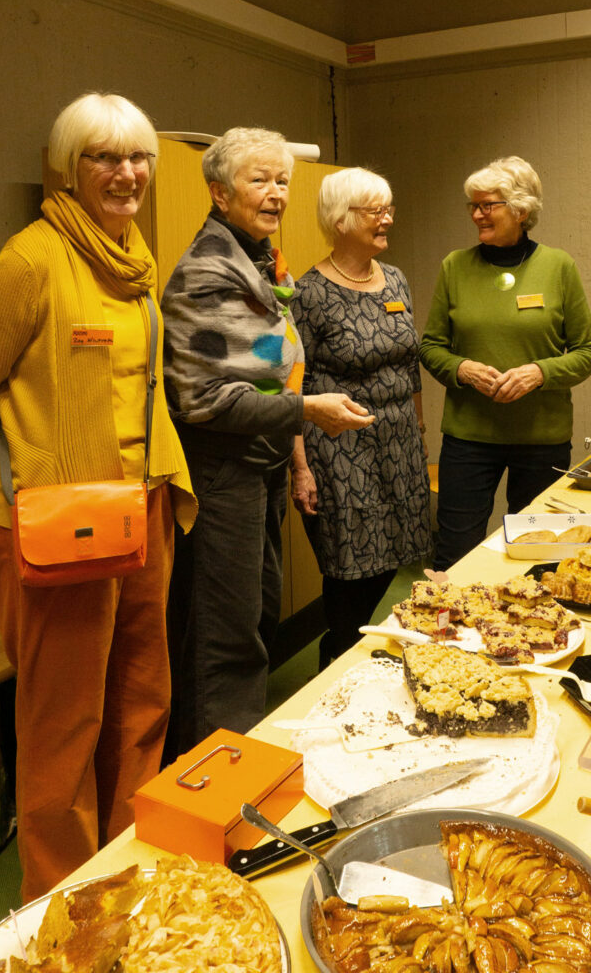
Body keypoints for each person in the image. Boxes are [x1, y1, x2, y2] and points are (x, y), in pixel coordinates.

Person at [0, 93, 197, 902]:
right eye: (104, 157)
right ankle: (65, 908)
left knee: (141, 705)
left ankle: (125, 874)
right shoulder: (30, 261)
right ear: (68, 169)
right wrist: (4, 493)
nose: (126, 173)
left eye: (137, 157)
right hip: (57, 530)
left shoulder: (135, 258)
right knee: (62, 731)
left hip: (143, 514)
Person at [161, 128, 374, 753]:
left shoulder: (255, 256)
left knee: (254, 618)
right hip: (221, 473)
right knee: (226, 636)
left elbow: (260, 361)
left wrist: (294, 428)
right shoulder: (208, 269)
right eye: (260, 180)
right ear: (219, 193)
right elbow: (204, 400)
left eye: (282, 180)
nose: (276, 193)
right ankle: (216, 773)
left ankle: (233, 758)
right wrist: (307, 409)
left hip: (260, 465)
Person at [419, 155, 591, 571]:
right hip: (469, 438)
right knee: (455, 551)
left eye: (488, 205)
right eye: (473, 205)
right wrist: (462, 368)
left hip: (541, 439)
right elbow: (430, 347)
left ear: (520, 211)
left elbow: (589, 352)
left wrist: (540, 372)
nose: (477, 214)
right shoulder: (455, 267)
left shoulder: (558, 266)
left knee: (538, 555)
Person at [290, 168, 432, 669]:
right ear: (341, 219)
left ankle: (363, 657)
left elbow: (409, 361)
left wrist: (417, 428)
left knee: (393, 559)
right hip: (340, 449)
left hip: (398, 441)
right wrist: (300, 466)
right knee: (353, 569)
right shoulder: (308, 293)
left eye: (388, 207)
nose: (388, 218)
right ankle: (337, 662)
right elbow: (294, 385)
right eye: (377, 210)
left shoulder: (394, 279)